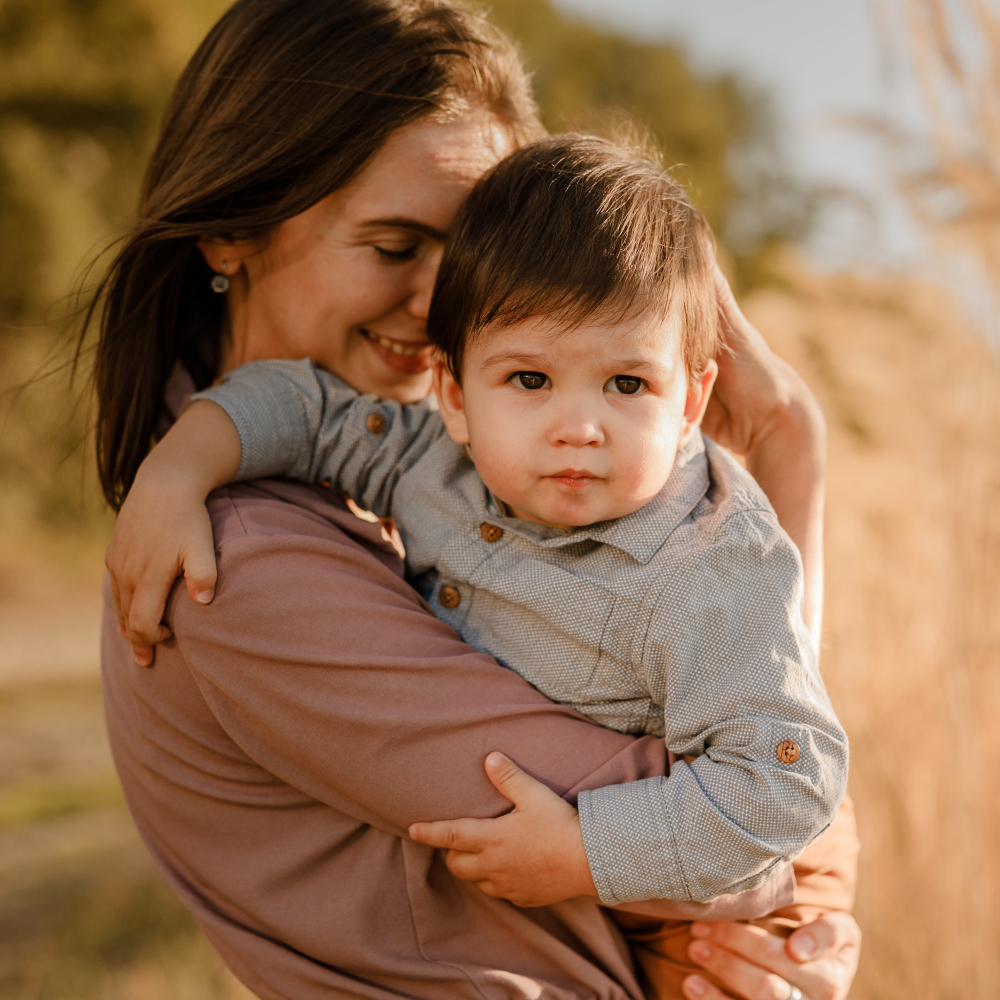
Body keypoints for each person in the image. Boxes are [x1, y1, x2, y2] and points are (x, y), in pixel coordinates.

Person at [95, 1, 861, 998]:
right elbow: (762, 818)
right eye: (393, 244)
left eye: (470, 258)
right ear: (233, 230)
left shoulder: (427, 478)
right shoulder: (235, 558)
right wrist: (804, 893)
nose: (445, 305)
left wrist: (788, 433)